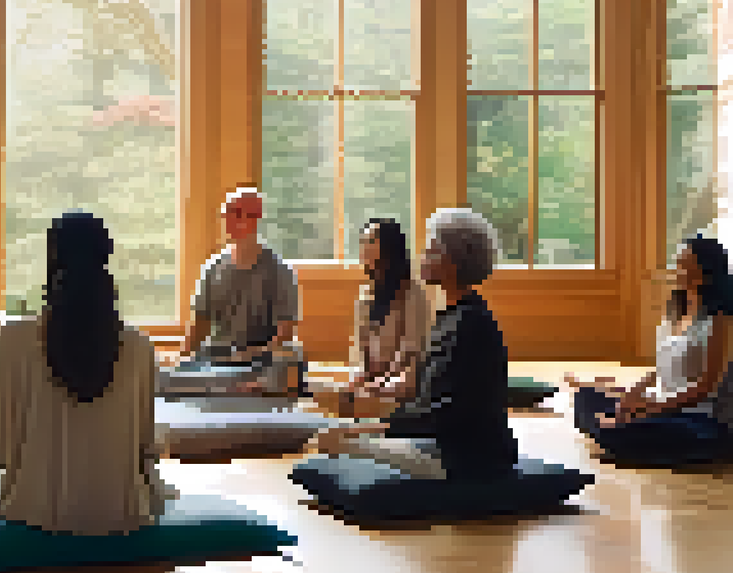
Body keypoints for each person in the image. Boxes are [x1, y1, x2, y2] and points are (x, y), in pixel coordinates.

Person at [0, 212, 175, 535]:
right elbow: (147, 449)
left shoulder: (12, 339)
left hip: (31, 512)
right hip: (123, 512)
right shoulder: (141, 346)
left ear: (50, 261)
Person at [310, 208, 518, 482]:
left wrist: (374, 429)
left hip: (466, 458)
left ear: (453, 260)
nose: (421, 258)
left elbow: (444, 415)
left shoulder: (469, 324)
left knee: (332, 441)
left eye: (431, 251)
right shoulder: (453, 316)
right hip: (442, 443)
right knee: (335, 434)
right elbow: (427, 400)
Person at [568, 235, 733, 464]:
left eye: (685, 265)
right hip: (662, 406)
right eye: (678, 263)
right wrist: (635, 391)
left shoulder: (719, 321)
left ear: (706, 271)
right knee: (586, 397)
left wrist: (649, 409)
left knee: (616, 427)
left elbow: (705, 388)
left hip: (697, 418)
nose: (677, 270)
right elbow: (663, 367)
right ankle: (620, 426)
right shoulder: (675, 311)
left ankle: (621, 428)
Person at [166, 186, 304, 396]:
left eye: (238, 213)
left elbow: (284, 336)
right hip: (215, 362)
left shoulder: (279, 271)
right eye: (228, 213)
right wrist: (180, 364)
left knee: (290, 359)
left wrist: (252, 358)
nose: (231, 220)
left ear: (256, 219)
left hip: (260, 366)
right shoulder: (213, 267)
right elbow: (198, 327)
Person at [311, 219, 434, 419]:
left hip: (402, 381)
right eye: (363, 240)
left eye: (371, 240)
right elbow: (360, 350)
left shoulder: (413, 293)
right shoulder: (366, 293)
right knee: (320, 390)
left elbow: (412, 353)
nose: (364, 246)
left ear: (389, 247)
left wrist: (384, 382)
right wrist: (361, 376)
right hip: (372, 381)